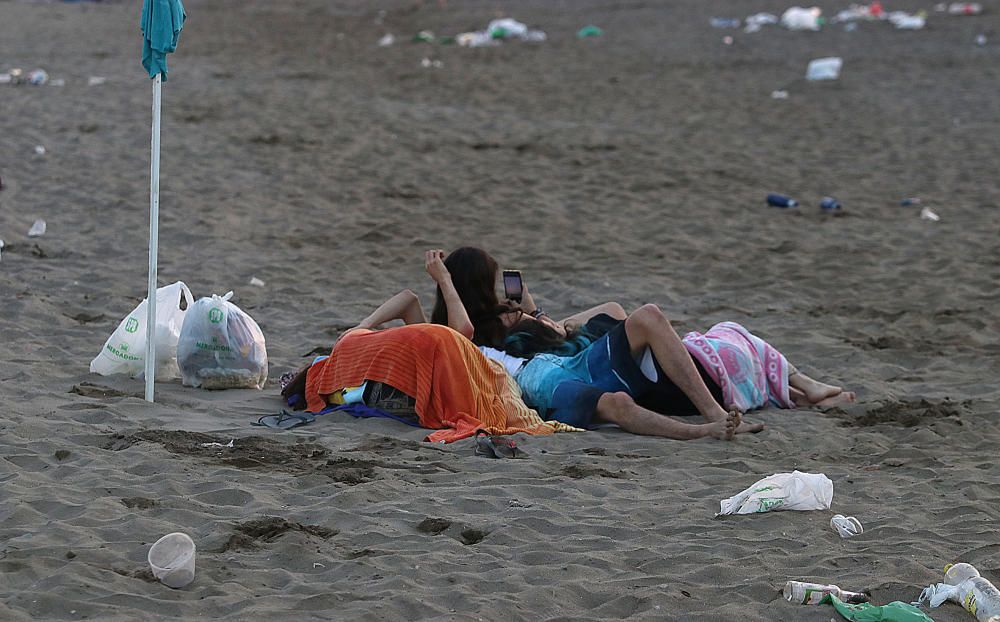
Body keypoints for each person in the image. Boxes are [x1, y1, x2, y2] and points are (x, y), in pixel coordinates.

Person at [350, 290, 744, 441]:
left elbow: (407, 299)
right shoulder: (451, 340)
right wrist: (362, 337)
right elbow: (418, 306)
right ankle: (702, 432)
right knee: (616, 405)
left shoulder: (476, 341)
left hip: (553, 359)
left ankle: (714, 410)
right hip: (534, 381)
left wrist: (361, 328)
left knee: (648, 315)